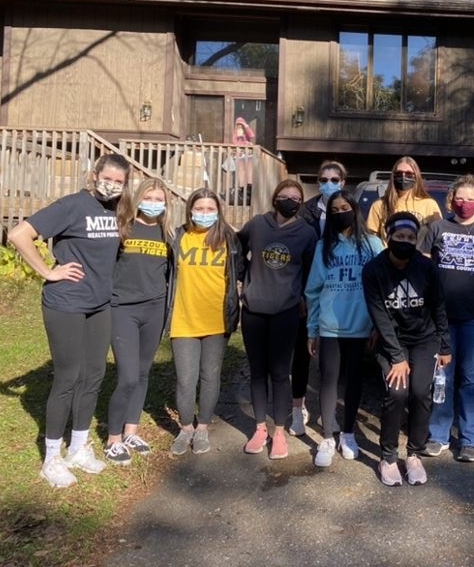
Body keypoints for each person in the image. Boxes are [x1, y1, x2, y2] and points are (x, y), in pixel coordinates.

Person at [8, 153, 132, 488]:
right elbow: (19, 234)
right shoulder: (72, 205)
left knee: (94, 375)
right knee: (68, 377)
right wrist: (48, 271)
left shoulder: (115, 211)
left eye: (119, 182)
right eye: (107, 178)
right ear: (94, 175)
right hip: (66, 303)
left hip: (99, 304)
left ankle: (78, 447)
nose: (112, 185)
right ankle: (51, 458)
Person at [362, 211, 451, 486]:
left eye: (411, 237)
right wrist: (397, 357)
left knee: (421, 392)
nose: (405, 241)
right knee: (397, 392)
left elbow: (438, 307)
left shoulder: (427, 268)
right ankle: (388, 457)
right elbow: (379, 316)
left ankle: (414, 454)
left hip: (425, 338)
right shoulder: (373, 270)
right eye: (399, 236)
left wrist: (445, 345)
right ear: (388, 237)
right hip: (393, 339)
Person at [237, 179, 317, 459]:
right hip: (254, 309)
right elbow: (237, 247)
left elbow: (310, 270)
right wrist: (244, 276)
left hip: (286, 311)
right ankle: (260, 428)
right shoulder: (258, 224)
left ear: (301, 203)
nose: (290, 201)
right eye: (285, 196)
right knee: (258, 372)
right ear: (275, 198)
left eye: (296, 198)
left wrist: (303, 297)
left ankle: (280, 432)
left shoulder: (307, 233)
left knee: (281, 373)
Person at [420, 175, 474, 463]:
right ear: (451, 200)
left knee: (471, 379)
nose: (465, 203)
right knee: (442, 377)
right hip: (441, 319)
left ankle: (469, 438)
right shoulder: (437, 228)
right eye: (460, 198)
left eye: (470, 199)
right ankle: (438, 435)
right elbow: (423, 272)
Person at [305, 191, 384, 467]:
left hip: (361, 327)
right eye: (335, 210)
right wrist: (312, 329)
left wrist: (378, 325)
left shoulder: (373, 244)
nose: (341, 213)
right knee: (328, 379)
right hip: (330, 327)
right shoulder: (323, 247)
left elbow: (382, 286)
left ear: (355, 209)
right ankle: (328, 436)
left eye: (345, 207)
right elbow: (313, 290)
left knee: (354, 381)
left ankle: (348, 433)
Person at [168, 188, 244, 457]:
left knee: (210, 376)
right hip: (183, 319)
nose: (204, 213)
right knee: (185, 379)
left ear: (218, 211)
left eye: (210, 209)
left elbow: (241, 272)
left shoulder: (229, 239)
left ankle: (202, 427)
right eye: (199, 208)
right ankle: (185, 427)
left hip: (217, 320)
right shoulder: (178, 237)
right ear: (190, 210)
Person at [103, 178, 173, 465]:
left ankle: (131, 431)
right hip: (123, 309)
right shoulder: (123, 228)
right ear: (138, 199)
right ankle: (113, 439)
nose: (153, 204)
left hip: (154, 310)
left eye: (159, 200)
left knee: (143, 373)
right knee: (128, 376)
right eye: (149, 198)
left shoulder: (168, 234)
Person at [294, 159, 349, 435]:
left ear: (343, 182)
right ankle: (298, 408)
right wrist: (301, 294)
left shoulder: (347, 208)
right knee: (303, 353)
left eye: (334, 180)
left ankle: (331, 413)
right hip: (309, 285)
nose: (329, 184)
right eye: (324, 180)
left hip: (339, 291)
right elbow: (298, 254)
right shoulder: (306, 212)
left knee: (333, 363)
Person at [365, 156, 442, 239]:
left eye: (409, 174)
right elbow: (372, 238)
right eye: (399, 173)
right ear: (393, 176)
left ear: (416, 176)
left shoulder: (429, 204)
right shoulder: (380, 205)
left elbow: (438, 236)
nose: (403, 177)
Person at [232, 117, 256, 205]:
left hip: (248, 155)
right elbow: (234, 142)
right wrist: (239, 138)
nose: (239, 128)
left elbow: (252, 136)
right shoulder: (235, 133)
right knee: (241, 170)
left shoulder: (246, 133)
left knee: (249, 168)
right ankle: (242, 188)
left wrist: (246, 126)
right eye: (238, 126)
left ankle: (249, 186)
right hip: (240, 155)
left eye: (241, 126)